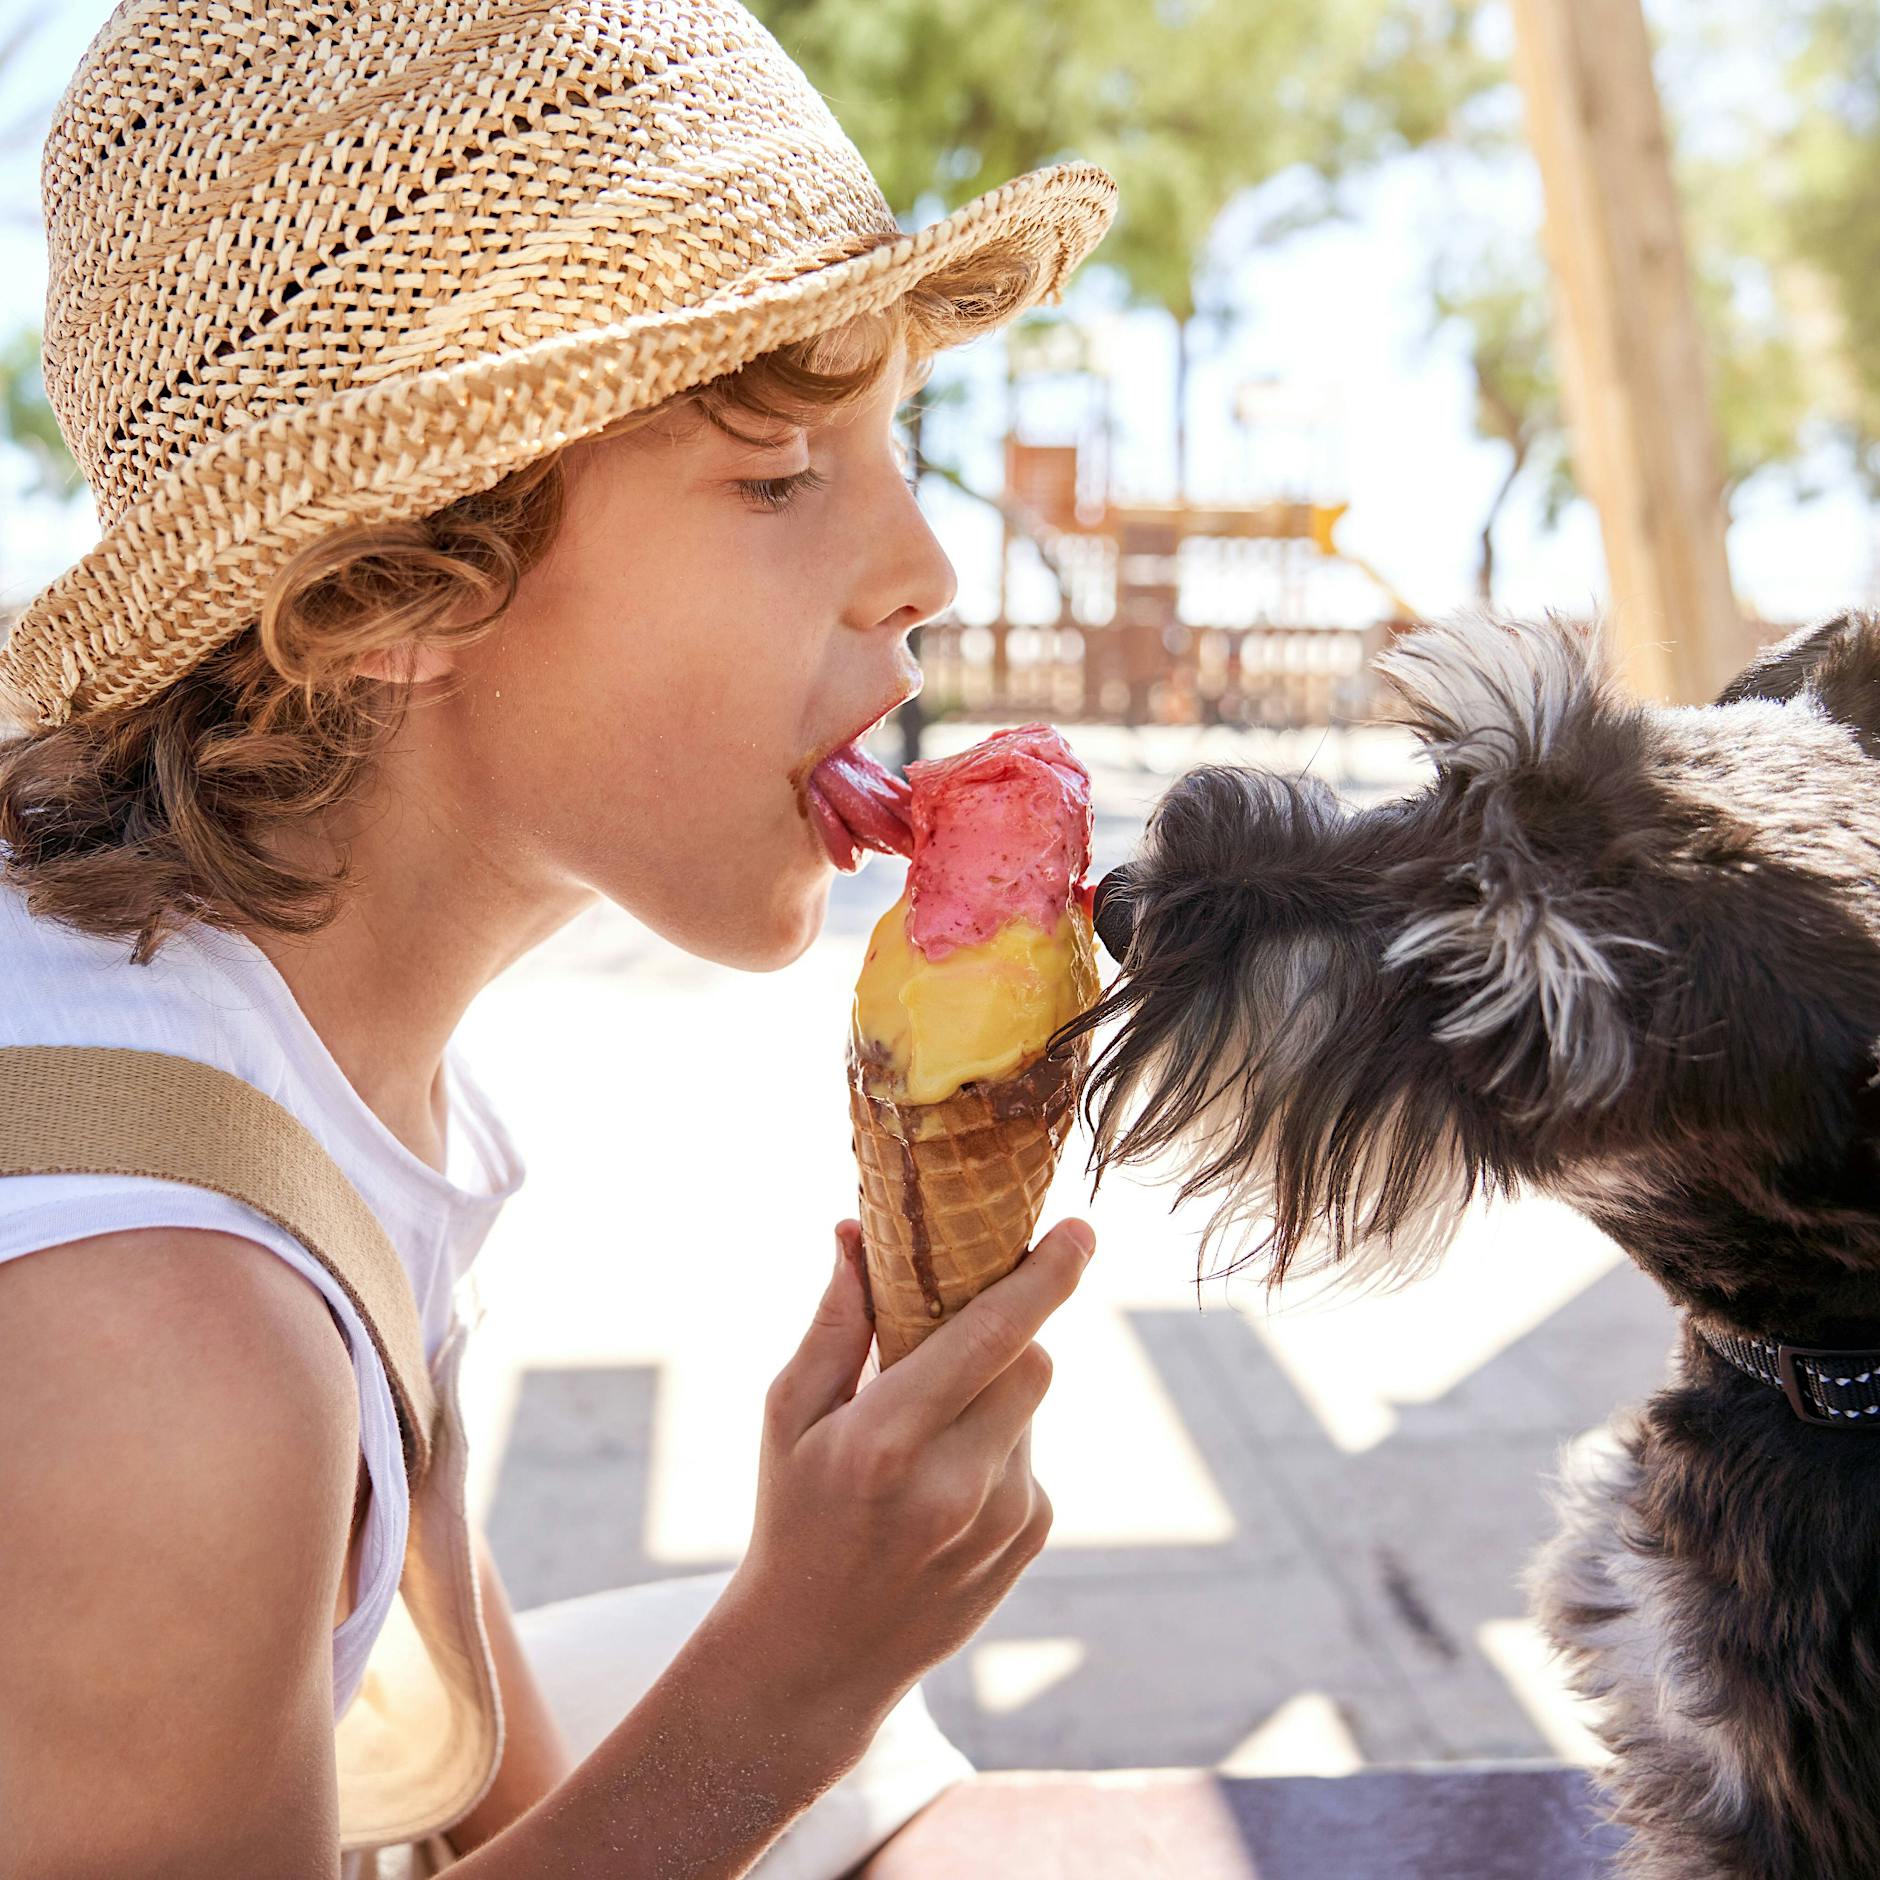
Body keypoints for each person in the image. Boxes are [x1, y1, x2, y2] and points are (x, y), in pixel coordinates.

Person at [0, 1, 1117, 1873]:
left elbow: (472, 1755)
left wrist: (803, 1660)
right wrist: (792, 1680)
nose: (927, 564)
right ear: (388, 586)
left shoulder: (317, 1049)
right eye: (775, 476)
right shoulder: (156, 1340)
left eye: (889, 441)